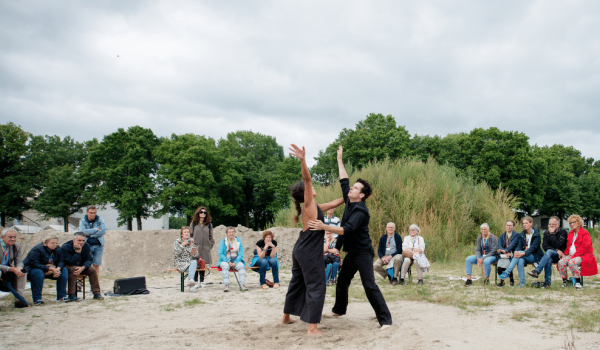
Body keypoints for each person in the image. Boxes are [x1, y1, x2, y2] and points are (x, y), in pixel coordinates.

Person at [308, 145, 392, 330]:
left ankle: (385, 320)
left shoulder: (361, 210)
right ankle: (339, 309)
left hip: (362, 253)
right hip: (352, 252)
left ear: (361, 195)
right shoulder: (349, 199)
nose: (351, 188)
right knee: (343, 280)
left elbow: (347, 230)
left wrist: (323, 226)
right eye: (352, 187)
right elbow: (344, 180)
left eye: (355, 188)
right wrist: (339, 159)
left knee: (369, 286)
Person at [283, 144, 345, 336]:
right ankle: (312, 328)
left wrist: (348, 196)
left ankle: (286, 317)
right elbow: (307, 179)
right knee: (316, 285)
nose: (313, 187)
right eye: (310, 188)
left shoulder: (314, 207)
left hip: (300, 249)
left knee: (297, 282)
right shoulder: (309, 204)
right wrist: (302, 160)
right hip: (309, 252)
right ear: (306, 193)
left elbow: (335, 202)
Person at [498, 216, 544, 287]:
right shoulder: (522, 234)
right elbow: (519, 246)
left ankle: (507, 271)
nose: (524, 225)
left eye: (526, 223)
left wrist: (521, 253)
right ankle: (522, 283)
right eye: (523, 223)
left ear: (531, 223)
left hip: (535, 255)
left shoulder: (536, 234)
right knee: (520, 260)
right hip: (524, 255)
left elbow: (533, 248)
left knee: (519, 256)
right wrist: (516, 252)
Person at [23, 235, 68, 305]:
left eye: (56, 243)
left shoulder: (57, 249)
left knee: (64, 270)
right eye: (52, 243)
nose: (55, 245)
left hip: (50, 269)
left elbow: (61, 261)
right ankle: (37, 299)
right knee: (38, 273)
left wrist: (57, 269)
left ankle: (61, 296)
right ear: (45, 243)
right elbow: (34, 263)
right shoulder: (37, 249)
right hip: (33, 269)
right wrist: (51, 269)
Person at [557, 214, 598, 290]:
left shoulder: (585, 233)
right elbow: (568, 246)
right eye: (570, 223)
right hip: (571, 254)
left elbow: (586, 247)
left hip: (584, 255)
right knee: (561, 262)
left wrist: (574, 255)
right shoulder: (571, 233)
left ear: (579, 222)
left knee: (572, 262)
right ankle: (565, 282)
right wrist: (565, 254)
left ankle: (578, 282)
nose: (572, 224)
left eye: (574, 222)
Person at [527, 216, 568, 287]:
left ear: (558, 225)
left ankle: (537, 271)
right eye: (549, 224)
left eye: (553, 224)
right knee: (548, 258)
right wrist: (556, 250)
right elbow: (545, 246)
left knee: (549, 252)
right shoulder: (546, 233)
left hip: (561, 256)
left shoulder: (563, 232)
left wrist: (552, 234)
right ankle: (547, 283)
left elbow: (559, 245)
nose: (551, 226)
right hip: (550, 255)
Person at [61, 231, 103, 301]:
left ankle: (96, 293)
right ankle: (72, 294)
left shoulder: (86, 246)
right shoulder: (66, 247)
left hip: (81, 266)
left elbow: (89, 260)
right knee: (75, 269)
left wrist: (82, 268)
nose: (81, 242)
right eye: (79, 240)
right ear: (74, 240)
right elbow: (70, 262)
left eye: (83, 240)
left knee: (92, 270)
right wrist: (77, 252)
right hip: (68, 266)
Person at [0, 229, 29, 308]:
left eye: (14, 237)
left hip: (7, 270)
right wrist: (12, 269)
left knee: (22, 273)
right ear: (2, 237)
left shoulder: (16, 246)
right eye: (10, 237)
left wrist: (19, 268)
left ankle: (19, 300)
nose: (13, 239)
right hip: (2, 269)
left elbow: (19, 260)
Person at [189, 206, 214, 288]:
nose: (203, 214)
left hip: (205, 247)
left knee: (203, 264)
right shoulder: (194, 223)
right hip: (196, 247)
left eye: (204, 212)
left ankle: (202, 281)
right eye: (201, 212)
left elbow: (211, 237)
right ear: (198, 213)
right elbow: (190, 235)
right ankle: (195, 281)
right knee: (196, 264)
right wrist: (192, 244)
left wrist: (210, 245)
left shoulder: (209, 224)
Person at [78, 205, 106, 277]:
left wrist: (91, 235)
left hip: (98, 245)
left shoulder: (100, 220)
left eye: (94, 213)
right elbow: (83, 232)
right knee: (86, 263)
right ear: (87, 212)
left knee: (96, 264)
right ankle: (81, 283)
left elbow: (103, 231)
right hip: (87, 245)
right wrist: (96, 230)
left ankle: (95, 284)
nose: (92, 214)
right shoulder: (83, 221)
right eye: (91, 213)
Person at [217, 227, 247, 293]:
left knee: (241, 266)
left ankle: (242, 284)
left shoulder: (238, 241)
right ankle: (226, 285)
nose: (231, 233)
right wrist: (228, 261)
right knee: (225, 266)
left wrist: (235, 262)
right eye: (229, 232)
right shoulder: (223, 241)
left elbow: (240, 253)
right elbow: (220, 253)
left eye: (233, 232)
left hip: (236, 260)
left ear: (234, 233)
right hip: (225, 260)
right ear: (226, 233)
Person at [173, 226, 201, 292]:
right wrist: (183, 245)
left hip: (190, 262)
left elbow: (196, 255)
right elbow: (176, 253)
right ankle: (191, 286)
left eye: (188, 232)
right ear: (182, 234)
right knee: (192, 267)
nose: (187, 233)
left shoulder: (192, 242)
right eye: (185, 232)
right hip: (181, 262)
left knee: (194, 262)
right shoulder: (177, 242)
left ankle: (191, 281)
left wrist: (195, 252)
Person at [496, 220, 519, 287]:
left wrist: (505, 251)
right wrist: (504, 252)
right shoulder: (502, 236)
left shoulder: (516, 235)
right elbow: (499, 245)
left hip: (511, 254)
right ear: (505, 226)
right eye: (507, 225)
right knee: (499, 267)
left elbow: (512, 245)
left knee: (507, 266)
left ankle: (511, 280)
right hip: (503, 254)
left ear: (513, 227)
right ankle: (502, 282)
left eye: (510, 225)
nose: (509, 227)